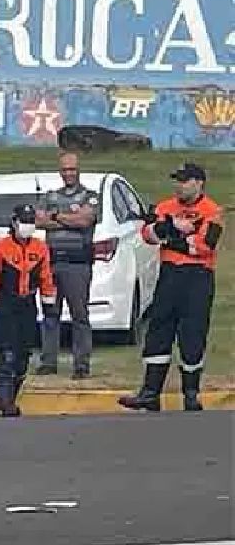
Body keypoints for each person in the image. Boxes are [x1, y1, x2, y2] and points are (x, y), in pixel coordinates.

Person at [119, 163, 223, 412]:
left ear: (199, 183)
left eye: (185, 181)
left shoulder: (213, 211)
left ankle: (190, 394)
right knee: (158, 331)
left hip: (198, 278)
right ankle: (150, 392)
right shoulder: (165, 207)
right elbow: (147, 235)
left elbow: (204, 247)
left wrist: (169, 234)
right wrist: (176, 231)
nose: (179, 186)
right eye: (177, 180)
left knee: (193, 336)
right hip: (169, 276)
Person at [0, 203, 58, 416]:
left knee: (23, 356)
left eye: (31, 222)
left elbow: (46, 278)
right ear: (14, 223)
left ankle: (11, 399)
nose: (27, 226)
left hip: (27, 306)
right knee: (7, 355)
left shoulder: (40, 248)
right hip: (5, 306)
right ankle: (6, 406)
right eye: (23, 221)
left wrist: (49, 305)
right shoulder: (1, 248)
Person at [34, 152, 98, 379]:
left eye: (73, 169)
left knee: (79, 315)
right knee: (50, 313)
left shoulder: (90, 196)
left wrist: (56, 217)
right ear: (60, 171)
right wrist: (66, 217)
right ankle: (48, 362)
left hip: (77, 264)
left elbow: (84, 220)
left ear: (78, 170)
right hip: (52, 262)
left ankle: (81, 365)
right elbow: (39, 220)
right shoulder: (50, 195)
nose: (69, 173)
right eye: (65, 170)